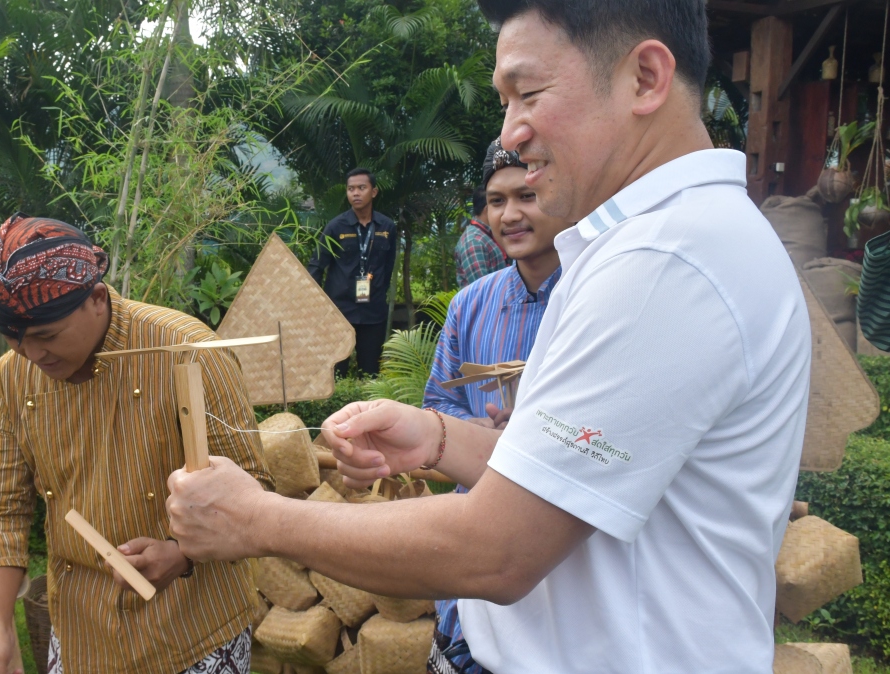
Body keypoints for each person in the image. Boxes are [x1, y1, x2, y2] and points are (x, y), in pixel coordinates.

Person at [164, 1, 812, 673]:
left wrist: (255, 520)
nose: (513, 132)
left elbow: (499, 548)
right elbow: (576, 483)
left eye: (528, 94)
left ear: (645, 78)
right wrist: (440, 437)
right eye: (506, 102)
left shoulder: (667, 263)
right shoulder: (666, 243)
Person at [0, 214, 272, 674]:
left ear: (96, 298)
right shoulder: (11, 379)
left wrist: (181, 552)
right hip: (79, 633)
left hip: (194, 629)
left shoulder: (186, 350)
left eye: (46, 336)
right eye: (14, 338)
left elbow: (256, 489)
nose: (32, 355)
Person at [425, 137, 569, 674]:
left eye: (525, 196)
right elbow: (438, 402)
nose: (510, 214)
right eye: (496, 200)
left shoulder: (593, 297)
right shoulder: (471, 304)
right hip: (473, 546)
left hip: (561, 561)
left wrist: (537, 428)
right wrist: (482, 434)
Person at [307, 168, 397, 376]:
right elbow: (316, 267)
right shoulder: (335, 227)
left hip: (373, 311)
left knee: (371, 372)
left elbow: (388, 266)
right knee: (336, 372)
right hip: (340, 312)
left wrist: (378, 293)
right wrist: (317, 307)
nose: (355, 193)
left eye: (361, 188)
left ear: (373, 192)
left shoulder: (386, 227)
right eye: (350, 189)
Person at [453, 148, 511, 288]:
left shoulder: (487, 235)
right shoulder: (474, 241)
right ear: (487, 209)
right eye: (498, 202)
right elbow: (482, 290)